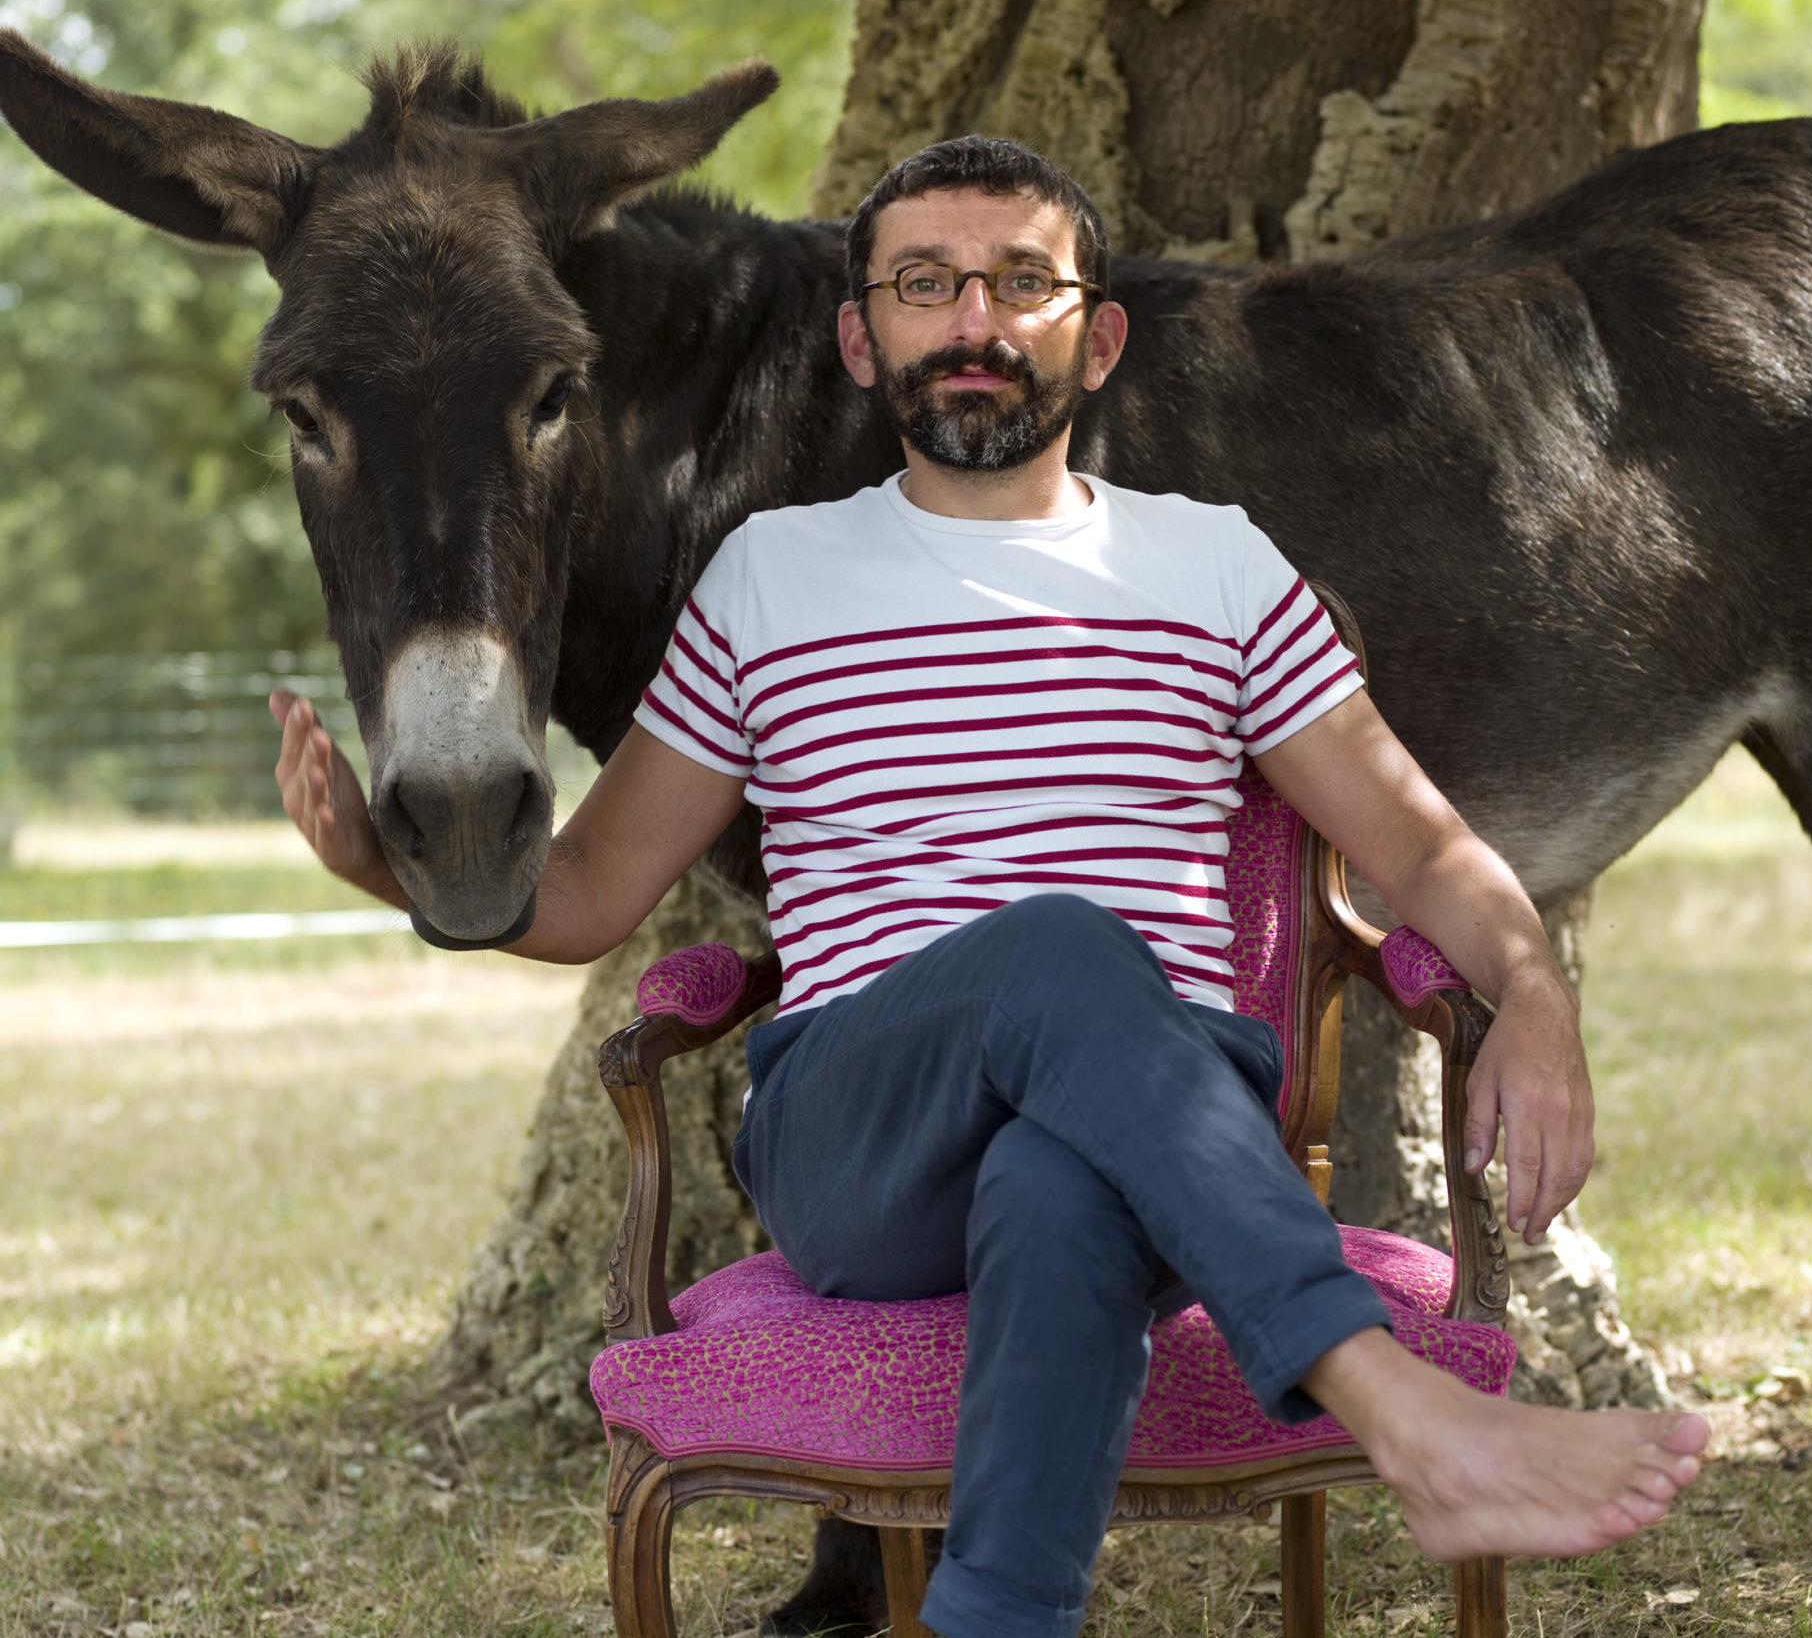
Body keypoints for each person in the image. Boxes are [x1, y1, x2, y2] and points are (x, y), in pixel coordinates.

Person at [271, 137, 1708, 1638]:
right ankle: (1400, 1409)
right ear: (859, 337)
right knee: (1063, 950)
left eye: (1023, 281)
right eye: (925, 284)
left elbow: (1418, 846)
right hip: (859, 1136)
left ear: (1099, 334)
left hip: (1158, 1140)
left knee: (1060, 1172)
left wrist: (1532, 993)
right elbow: (581, 897)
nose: (976, 319)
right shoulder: (767, 577)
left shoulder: (1217, 566)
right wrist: (385, 865)